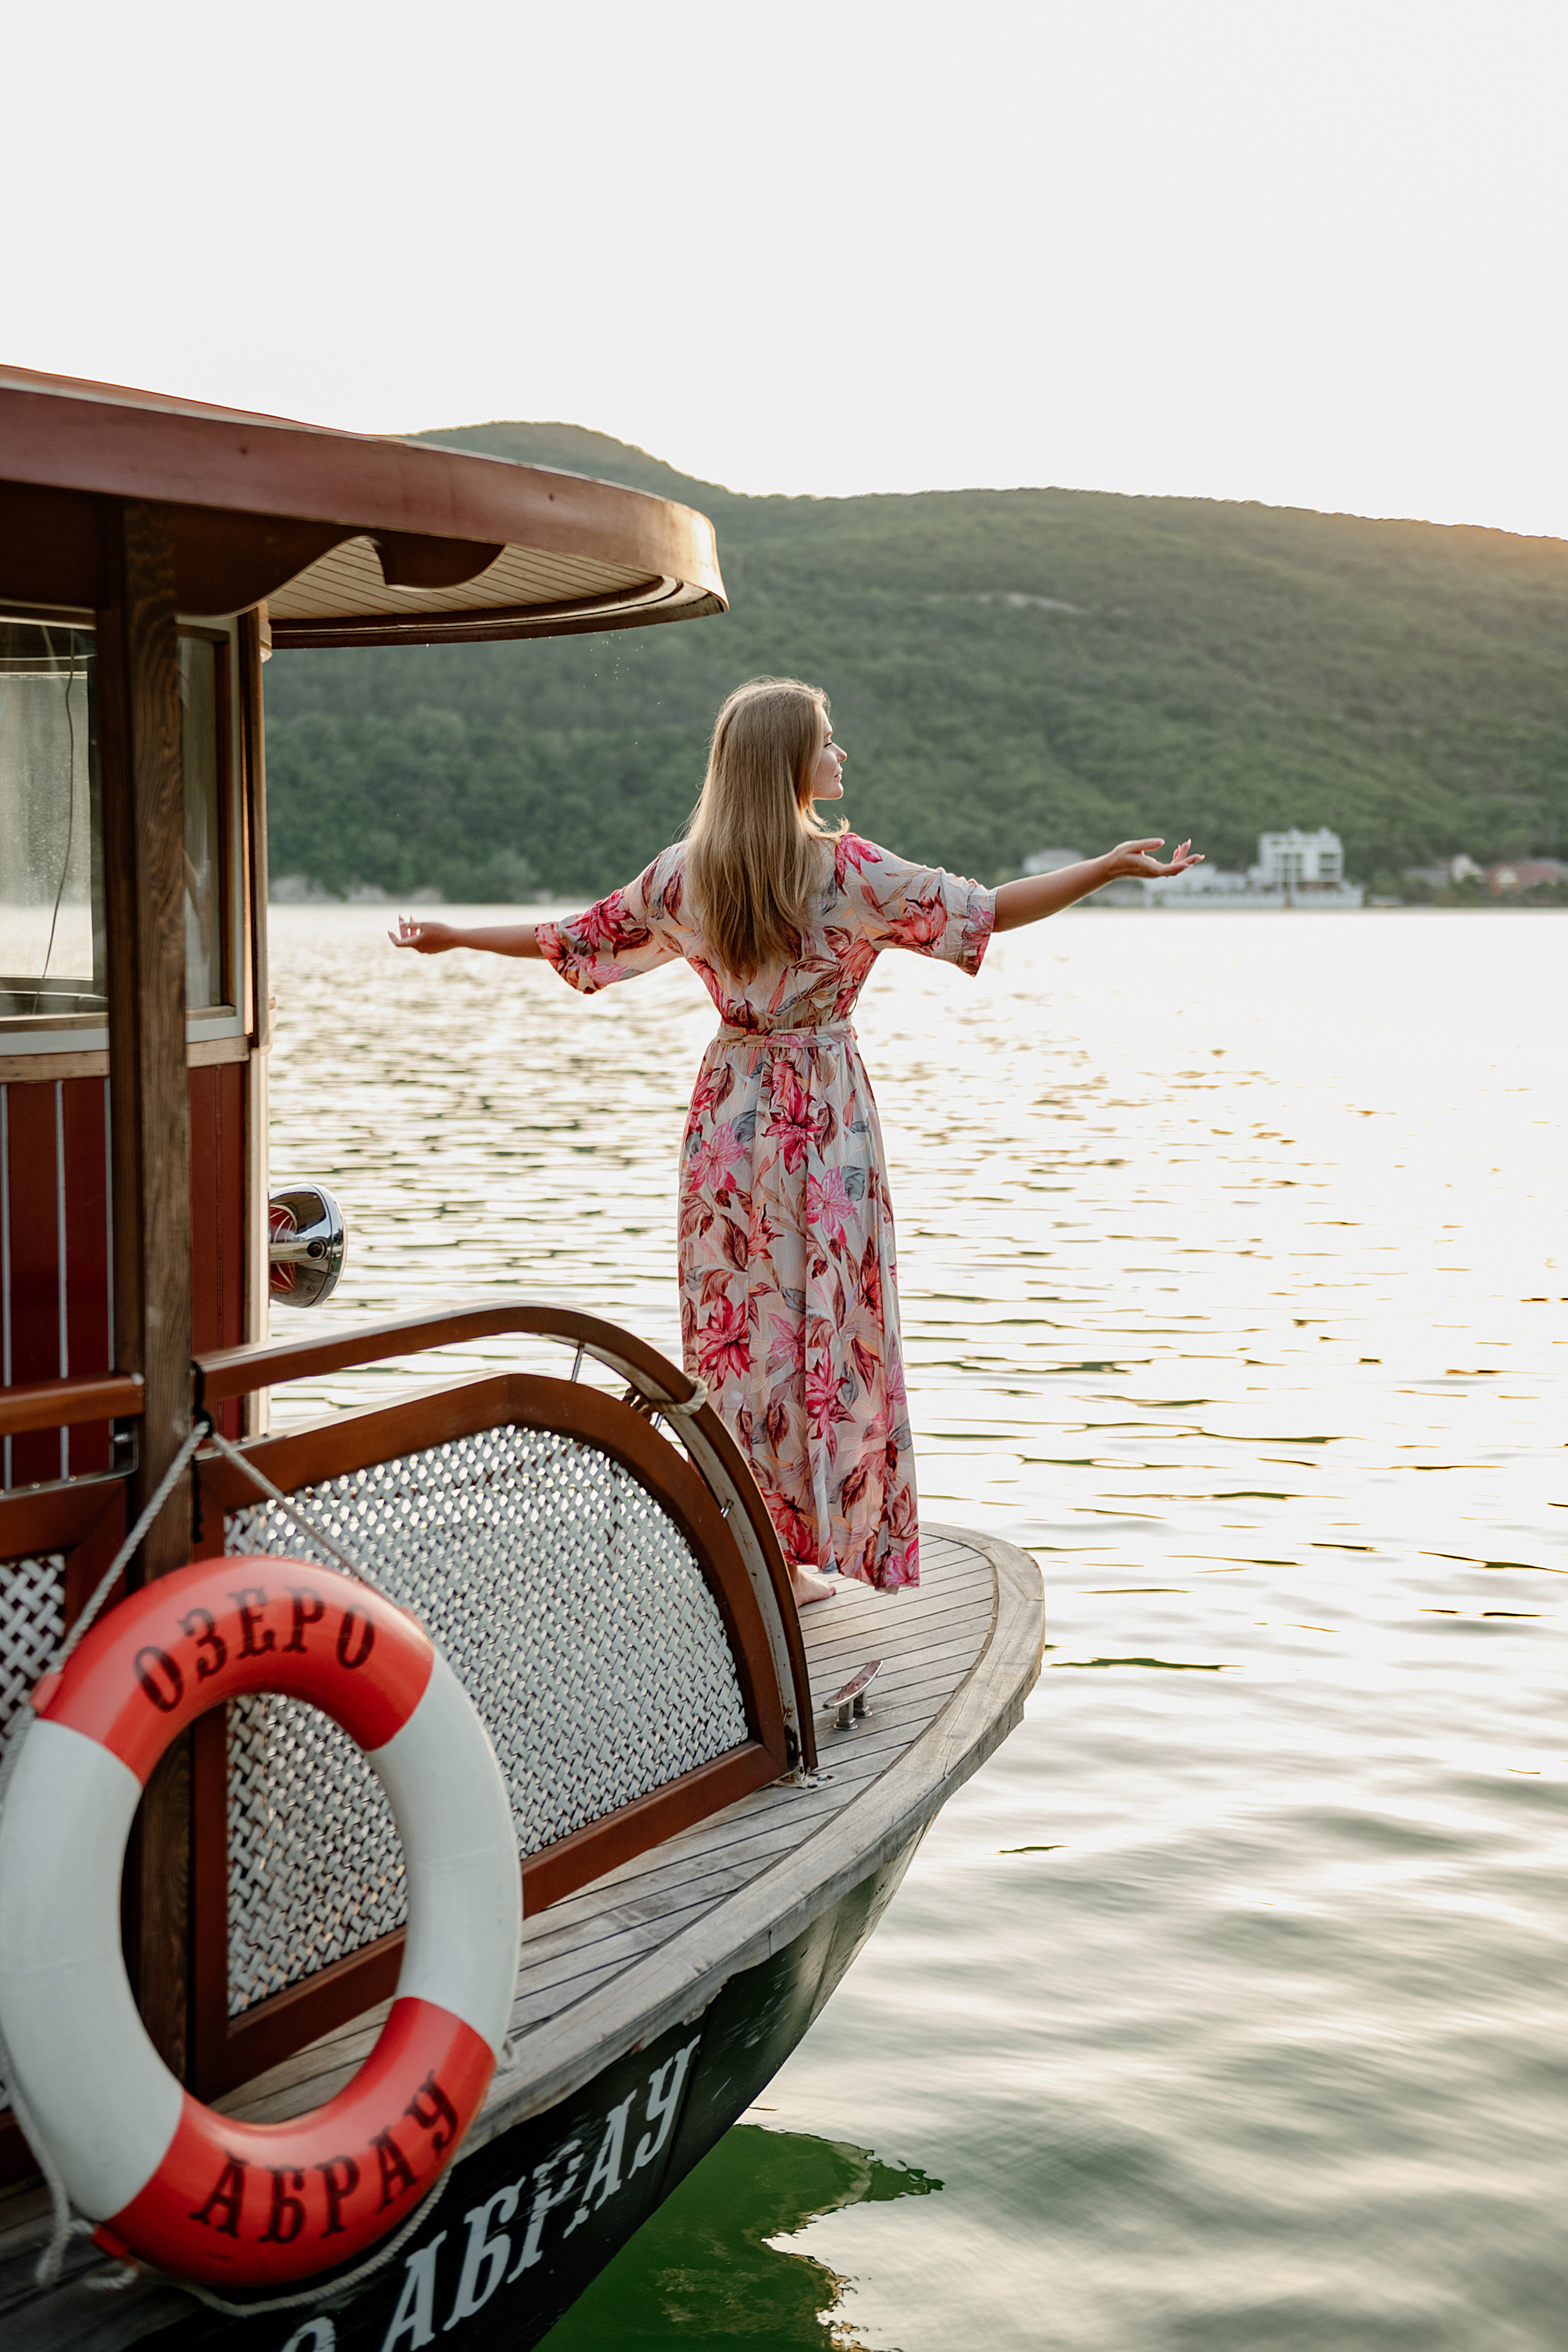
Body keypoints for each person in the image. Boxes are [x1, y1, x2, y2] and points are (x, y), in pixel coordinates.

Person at [391, 675, 1201, 1608]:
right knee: (832, 1324)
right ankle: (802, 1552)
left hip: (730, 1119)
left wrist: (455, 935)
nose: (840, 752)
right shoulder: (847, 871)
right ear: (786, 762)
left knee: (736, 1335)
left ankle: (754, 1547)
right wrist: (1103, 869)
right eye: (826, 739)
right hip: (823, 1118)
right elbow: (985, 910)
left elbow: (571, 936)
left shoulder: (685, 874)